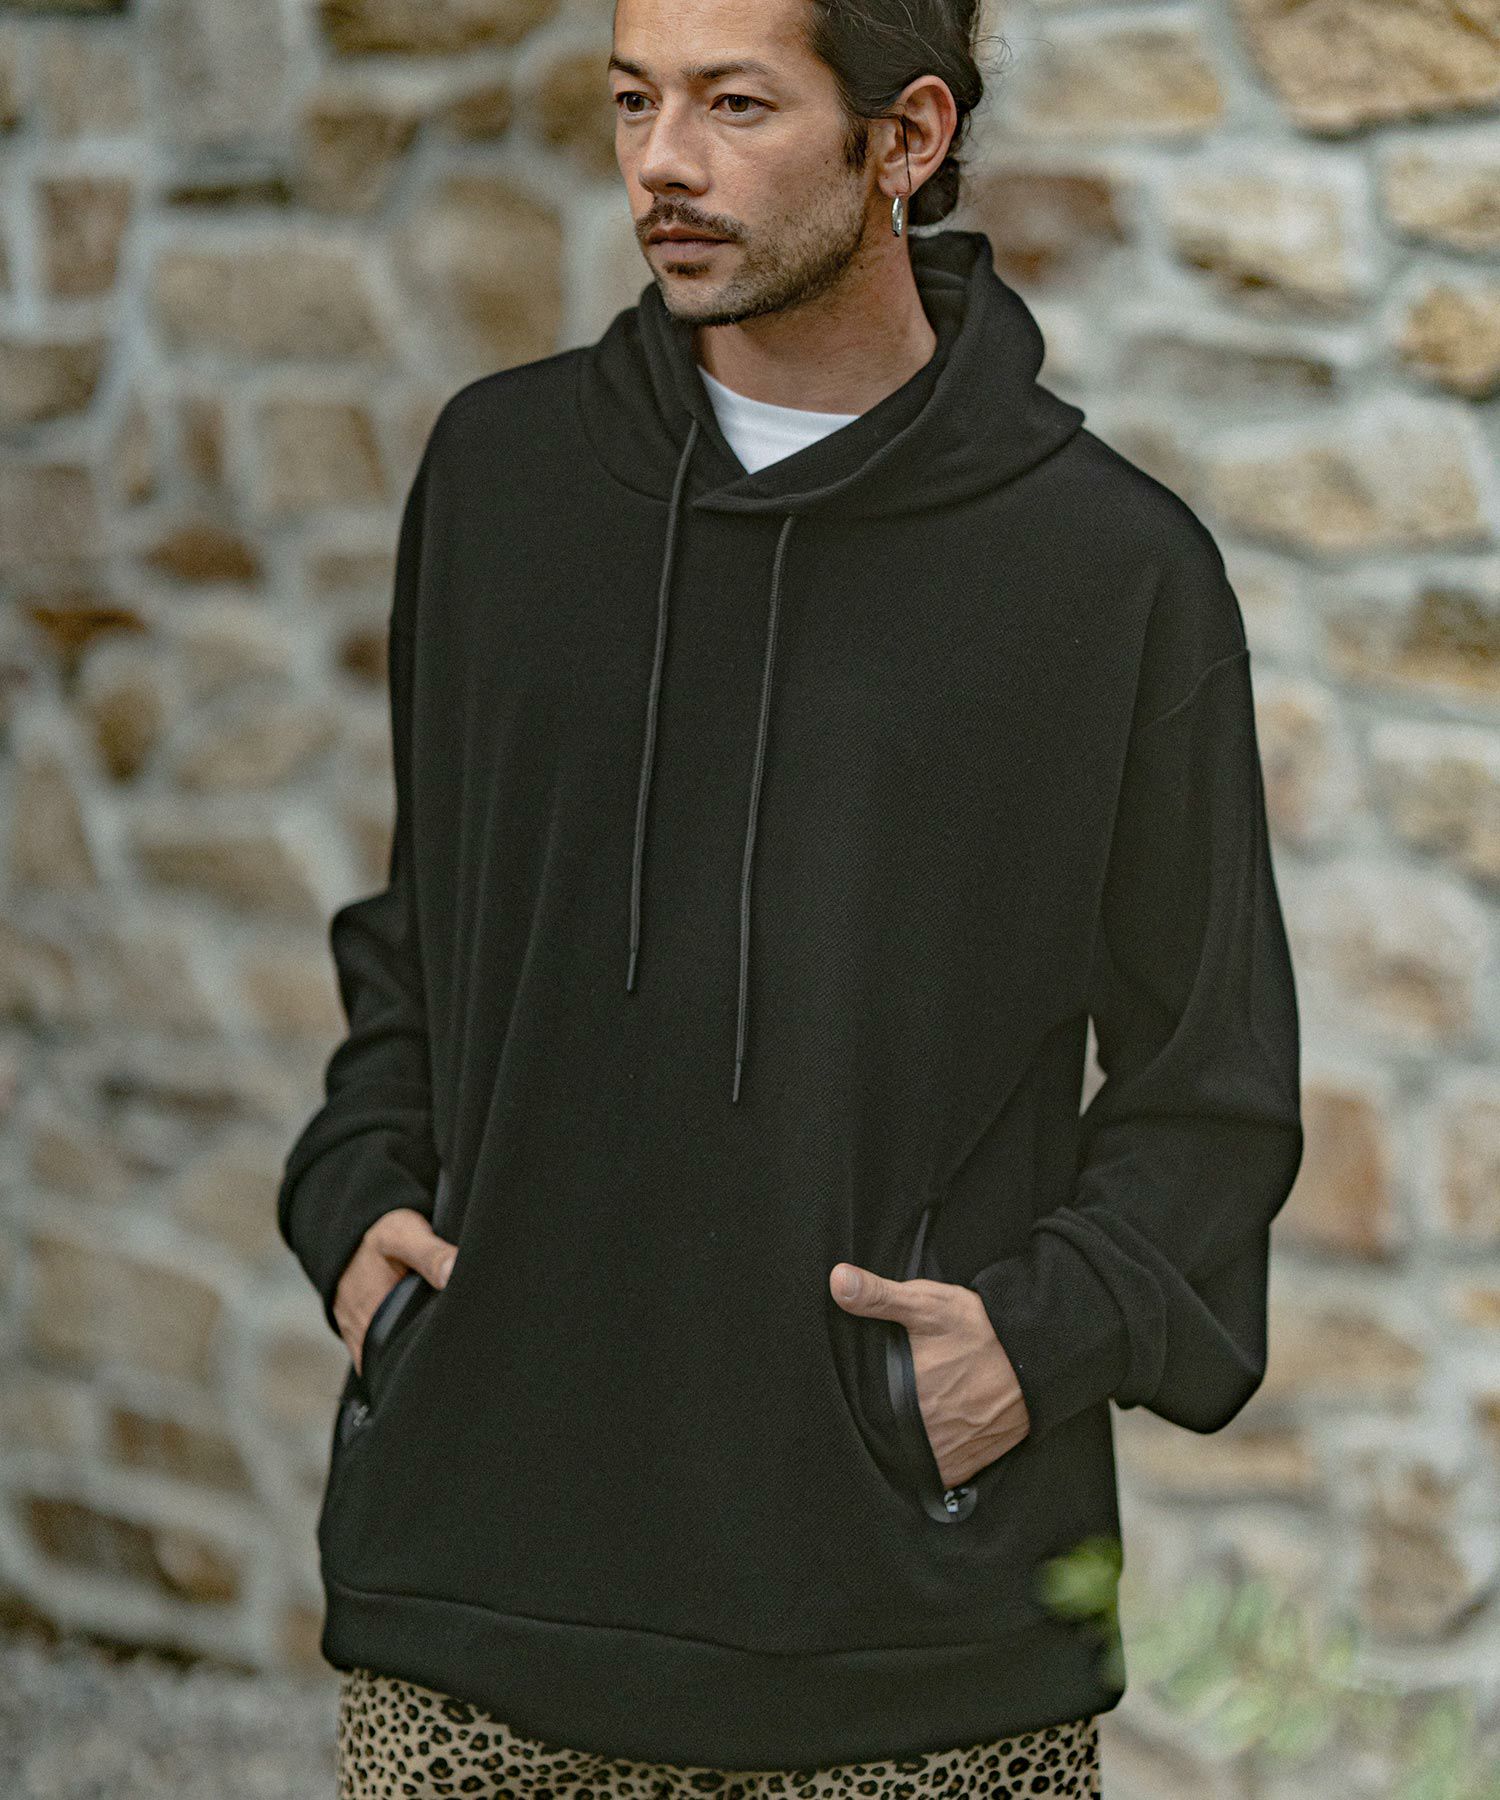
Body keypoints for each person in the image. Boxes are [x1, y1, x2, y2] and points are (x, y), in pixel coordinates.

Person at [276, 0, 1305, 1794]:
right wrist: (359, 1206)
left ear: (906, 137)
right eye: (633, 101)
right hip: (473, 1600)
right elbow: (429, 932)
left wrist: (1023, 1348)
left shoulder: (1110, 573)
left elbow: (1211, 1090)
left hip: (912, 1647)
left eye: (736, 104)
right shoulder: (501, 482)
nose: (661, 164)